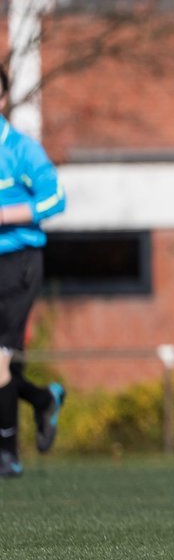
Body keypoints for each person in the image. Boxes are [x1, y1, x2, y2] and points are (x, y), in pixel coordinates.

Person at [0, 65, 68, 479]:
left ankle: (7, 453)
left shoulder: (20, 150)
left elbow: (56, 198)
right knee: (1, 366)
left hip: (17, 265)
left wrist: (4, 214)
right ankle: (43, 400)